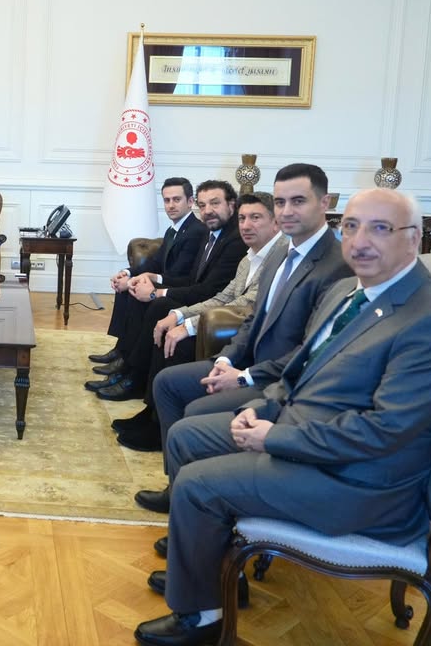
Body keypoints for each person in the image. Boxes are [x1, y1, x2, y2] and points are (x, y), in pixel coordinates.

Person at [134, 188, 431, 646]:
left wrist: (272, 438)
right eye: (351, 226)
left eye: (380, 228)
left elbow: (383, 432)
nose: (360, 241)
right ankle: (214, 574)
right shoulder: (349, 291)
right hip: (307, 436)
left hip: (358, 484)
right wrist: (259, 408)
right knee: (188, 436)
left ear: (413, 238)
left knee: (196, 485)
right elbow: (299, 371)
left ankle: (202, 618)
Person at [133, 163, 351, 514]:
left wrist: (244, 376)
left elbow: (312, 349)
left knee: (194, 413)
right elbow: (253, 318)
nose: (286, 211)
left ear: (324, 202)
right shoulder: (280, 253)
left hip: (278, 379)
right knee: (167, 383)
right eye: (280, 202)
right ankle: (178, 485)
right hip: (246, 362)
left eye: (298, 201)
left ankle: (196, 493)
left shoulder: (339, 265)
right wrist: (225, 360)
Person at [111, 192, 285, 451]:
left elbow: (244, 305)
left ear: (275, 222)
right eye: (242, 219)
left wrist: (189, 325)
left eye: (255, 218)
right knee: (166, 321)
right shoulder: (249, 257)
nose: (246, 225)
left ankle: (158, 426)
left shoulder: (279, 258)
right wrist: (179, 316)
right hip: (221, 320)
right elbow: (223, 297)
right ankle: (151, 411)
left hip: (245, 337)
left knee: (177, 341)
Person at [88, 180, 245, 402]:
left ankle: (134, 375)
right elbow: (162, 265)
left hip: (210, 303)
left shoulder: (216, 236)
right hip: (190, 290)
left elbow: (205, 288)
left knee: (157, 303)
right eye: (203, 205)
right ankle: (124, 357)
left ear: (231, 205)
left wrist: (155, 291)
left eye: (215, 203)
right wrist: (135, 275)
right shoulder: (202, 232)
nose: (207, 210)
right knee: (137, 288)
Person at [89, 177, 208, 367]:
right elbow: (155, 263)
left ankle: (127, 359)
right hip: (168, 281)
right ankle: (121, 348)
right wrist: (127, 273)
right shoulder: (173, 230)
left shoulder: (196, 231)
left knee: (134, 288)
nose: (171, 205)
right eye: (167, 200)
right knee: (127, 284)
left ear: (190, 201)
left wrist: (140, 280)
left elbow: (179, 274)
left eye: (176, 199)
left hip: (180, 288)